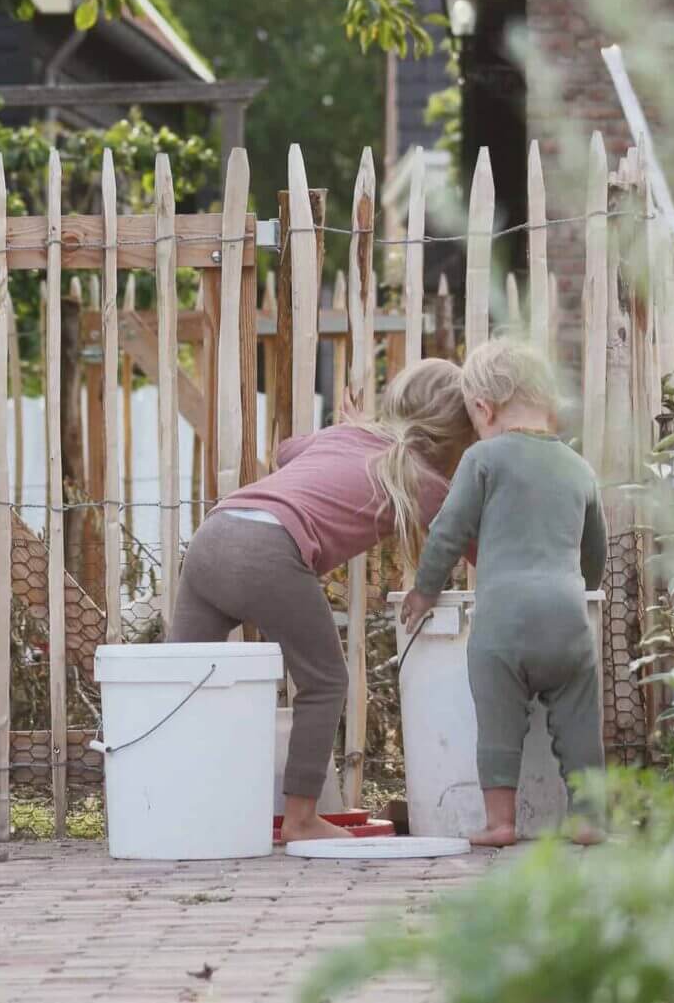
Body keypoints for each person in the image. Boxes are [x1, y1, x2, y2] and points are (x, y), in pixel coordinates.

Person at [170, 358, 476, 844]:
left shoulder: (346, 438)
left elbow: (286, 453)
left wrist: (347, 432)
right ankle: (300, 820)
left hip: (215, 532)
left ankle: (171, 807)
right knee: (325, 680)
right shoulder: (427, 483)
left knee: (179, 687)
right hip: (270, 550)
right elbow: (475, 546)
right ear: (461, 436)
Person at [401, 338, 608, 848]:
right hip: (566, 616)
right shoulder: (580, 468)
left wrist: (425, 590)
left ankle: (500, 823)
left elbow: (449, 529)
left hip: (501, 624)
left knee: (498, 722)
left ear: (482, 408)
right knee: (580, 725)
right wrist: (587, 591)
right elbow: (595, 547)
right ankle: (587, 818)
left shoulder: (483, 458)